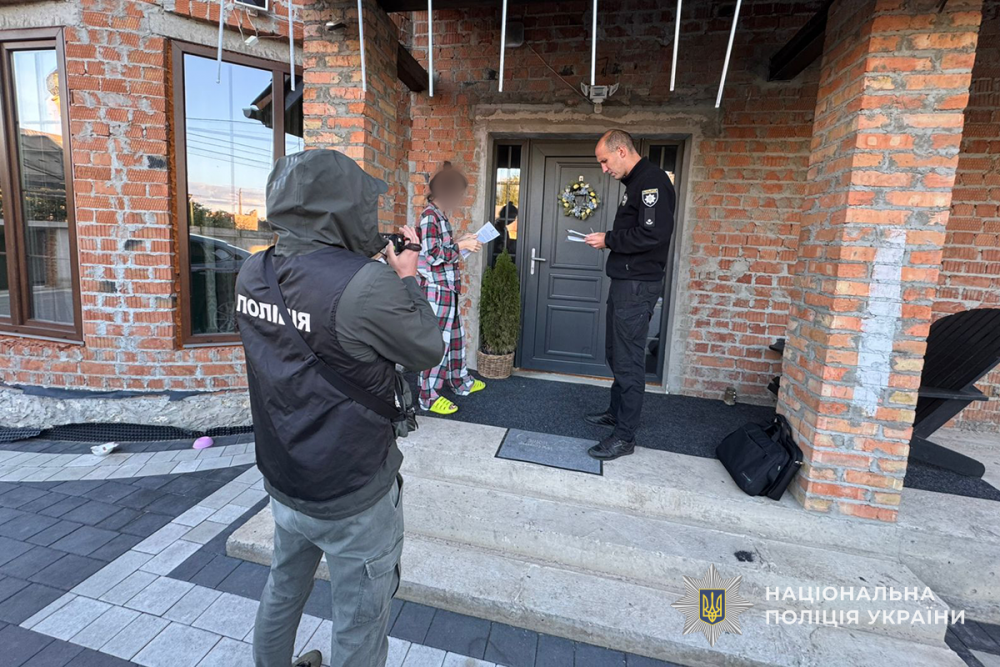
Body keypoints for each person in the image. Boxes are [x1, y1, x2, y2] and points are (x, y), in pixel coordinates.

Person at [235, 149, 445, 667]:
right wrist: (407, 276)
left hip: (284, 476)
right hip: (353, 488)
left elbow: (312, 319)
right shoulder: (367, 284)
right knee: (359, 615)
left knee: (284, 585)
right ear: (344, 207)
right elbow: (426, 348)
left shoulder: (253, 271)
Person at [584, 130, 676, 460]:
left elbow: (653, 234)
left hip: (637, 286)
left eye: (605, 161)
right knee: (615, 351)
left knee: (628, 359)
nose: (604, 169)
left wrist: (609, 239)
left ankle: (624, 437)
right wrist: (610, 239)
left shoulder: (651, 183)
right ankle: (616, 412)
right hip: (626, 282)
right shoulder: (636, 183)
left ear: (621, 151)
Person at [416, 161, 486, 415]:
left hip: (447, 288)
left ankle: (460, 381)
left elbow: (440, 249)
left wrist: (460, 241)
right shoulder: (430, 217)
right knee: (437, 343)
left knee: (455, 338)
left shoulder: (439, 216)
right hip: (436, 290)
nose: (459, 198)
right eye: (458, 193)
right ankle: (428, 396)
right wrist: (461, 246)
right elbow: (432, 254)